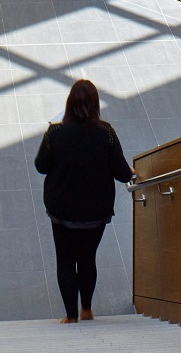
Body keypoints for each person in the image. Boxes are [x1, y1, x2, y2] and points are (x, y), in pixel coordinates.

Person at [34, 79, 134, 325]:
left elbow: (40, 166)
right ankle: (87, 310)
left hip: (62, 209)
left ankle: (70, 316)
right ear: (95, 104)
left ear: (69, 104)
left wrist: (50, 137)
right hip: (95, 211)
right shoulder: (106, 132)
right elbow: (122, 173)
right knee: (87, 257)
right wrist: (133, 171)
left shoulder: (55, 132)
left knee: (65, 259)